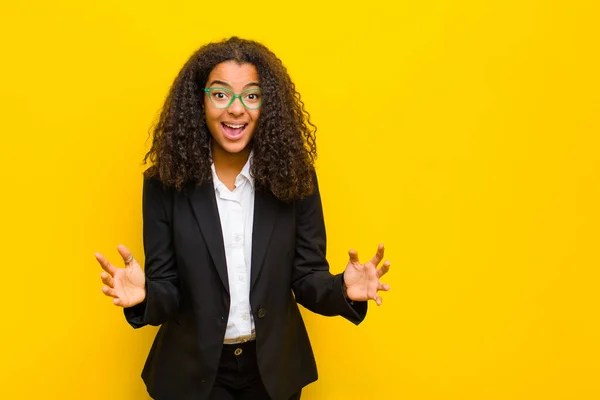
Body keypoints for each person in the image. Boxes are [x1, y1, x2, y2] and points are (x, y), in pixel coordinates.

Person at [95, 36, 391, 400]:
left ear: (267, 105)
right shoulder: (164, 184)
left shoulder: (296, 179)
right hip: (194, 375)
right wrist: (144, 296)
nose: (237, 109)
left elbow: (307, 276)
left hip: (272, 372)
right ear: (199, 102)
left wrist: (342, 290)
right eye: (221, 94)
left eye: (251, 95)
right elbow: (167, 289)